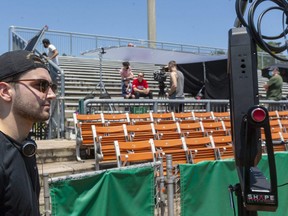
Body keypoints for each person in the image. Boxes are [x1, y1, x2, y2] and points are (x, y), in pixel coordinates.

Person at [0, 50, 57, 215]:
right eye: (41, 85)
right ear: (5, 92)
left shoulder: (25, 147)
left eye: (51, 86)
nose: (52, 95)